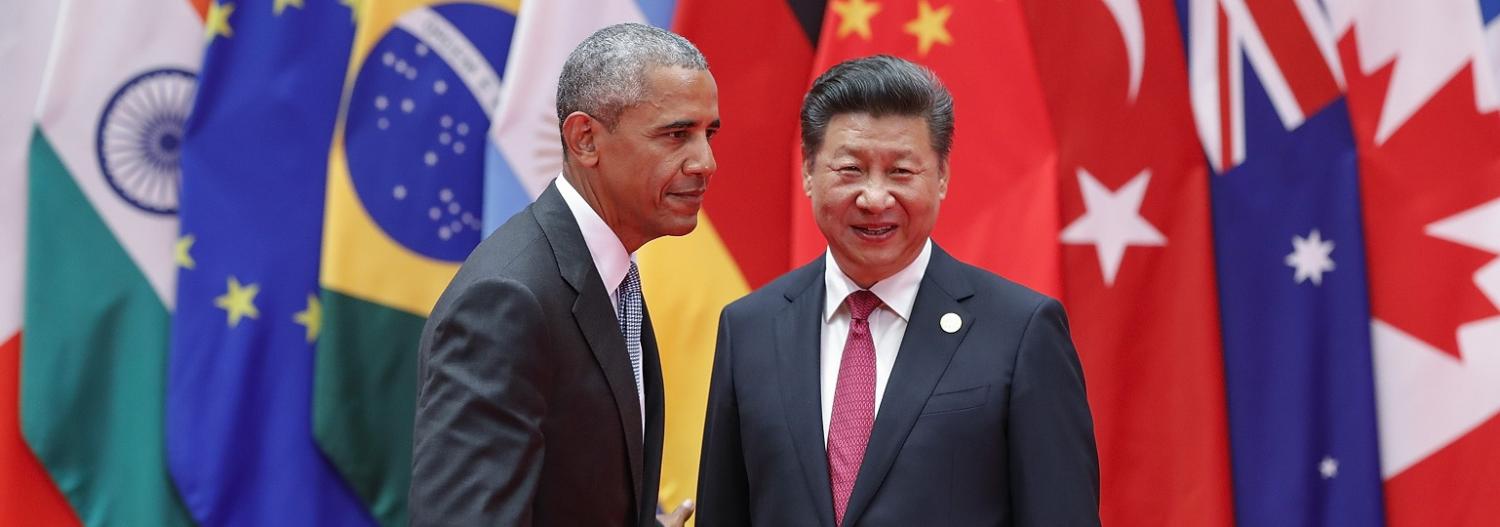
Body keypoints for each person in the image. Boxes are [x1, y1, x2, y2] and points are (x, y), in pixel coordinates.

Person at [695, 55, 1099, 526]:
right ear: (808, 171)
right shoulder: (749, 328)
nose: (875, 198)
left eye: (902, 172)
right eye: (850, 169)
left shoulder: (1021, 331)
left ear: (942, 176)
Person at [409, 22, 717, 527]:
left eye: (709, 133)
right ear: (585, 139)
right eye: (677, 134)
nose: (705, 161)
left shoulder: (607, 274)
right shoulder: (506, 299)